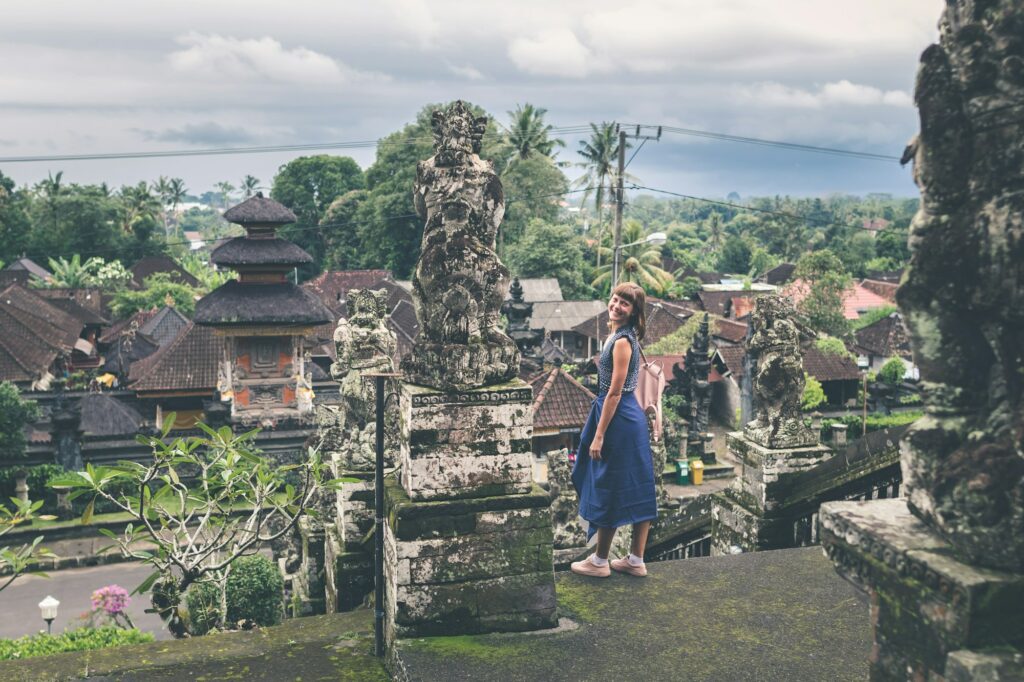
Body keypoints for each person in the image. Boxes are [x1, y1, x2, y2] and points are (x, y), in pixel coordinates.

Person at [570, 282, 658, 578]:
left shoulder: (622, 341)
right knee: (637, 483)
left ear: (634, 312)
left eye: (625, 303)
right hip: (626, 418)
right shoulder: (622, 336)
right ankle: (635, 559)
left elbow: (615, 392)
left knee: (608, 483)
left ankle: (599, 561)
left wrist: (599, 434)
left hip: (618, 418)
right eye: (615, 299)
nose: (616, 305)